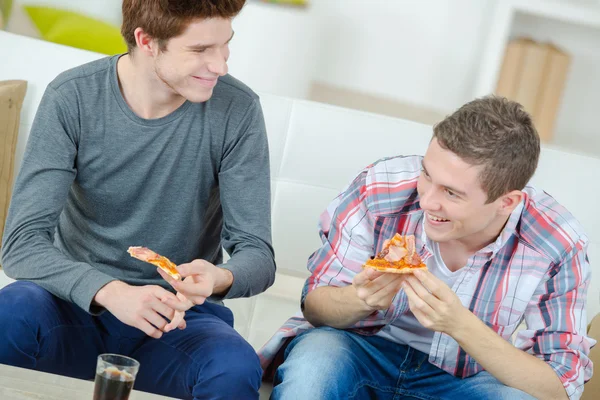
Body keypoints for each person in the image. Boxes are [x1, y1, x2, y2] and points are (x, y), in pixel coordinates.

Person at [0, 1, 275, 399]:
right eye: (200, 50)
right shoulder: (72, 97)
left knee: (233, 367)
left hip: (177, 322)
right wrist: (112, 292)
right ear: (147, 41)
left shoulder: (238, 110)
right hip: (71, 307)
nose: (221, 66)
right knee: (9, 314)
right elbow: (21, 245)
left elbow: (257, 253)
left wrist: (219, 277)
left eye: (225, 45)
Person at [259, 96, 595, 400]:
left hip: (466, 381)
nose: (427, 200)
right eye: (426, 174)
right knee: (313, 366)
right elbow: (315, 308)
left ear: (507, 202)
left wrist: (459, 324)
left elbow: (560, 385)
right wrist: (357, 300)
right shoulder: (379, 188)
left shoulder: (556, 243)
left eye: (452, 193)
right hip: (357, 351)